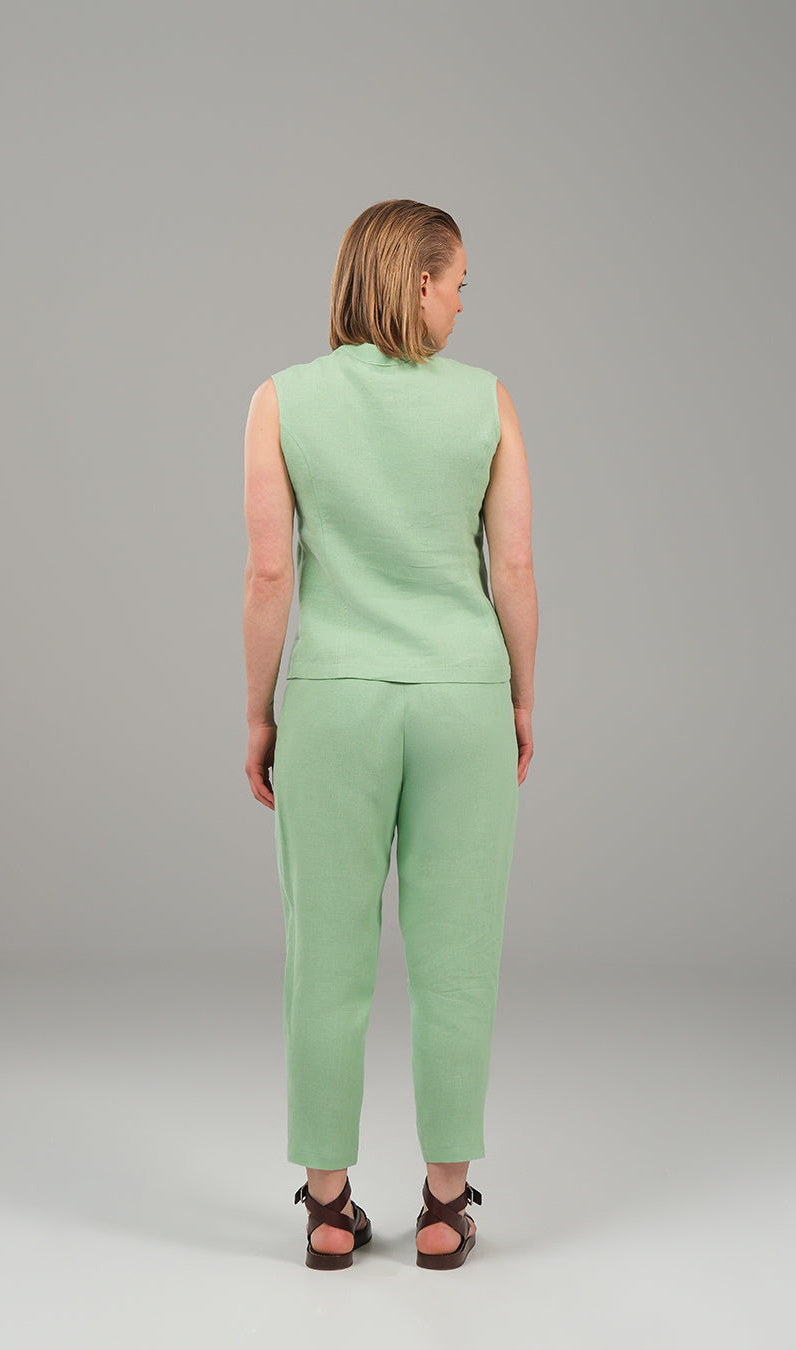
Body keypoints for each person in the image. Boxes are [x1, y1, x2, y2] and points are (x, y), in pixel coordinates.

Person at [242, 199, 537, 1270]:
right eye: (457, 283)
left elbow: (269, 573)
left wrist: (259, 713)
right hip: (462, 698)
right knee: (457, 960)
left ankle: (327, 1209)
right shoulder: (486, 401)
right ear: (418, 282)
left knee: (325, 957)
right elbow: (513, 566)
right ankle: (447, 1209)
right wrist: (521, 699)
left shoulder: (282, 400)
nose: (462, 304)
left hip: (335, 701)